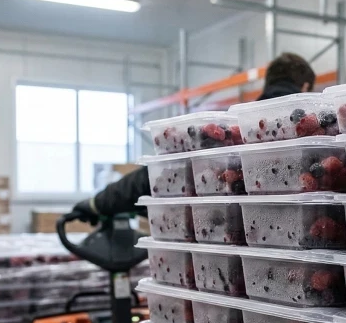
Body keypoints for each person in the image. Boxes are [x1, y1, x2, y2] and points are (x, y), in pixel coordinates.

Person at [71, 53, 317, 224]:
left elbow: (158, 175)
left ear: (268, 83)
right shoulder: (317, 132)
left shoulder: (232, 130)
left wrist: (96, 204)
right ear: (305, 87)